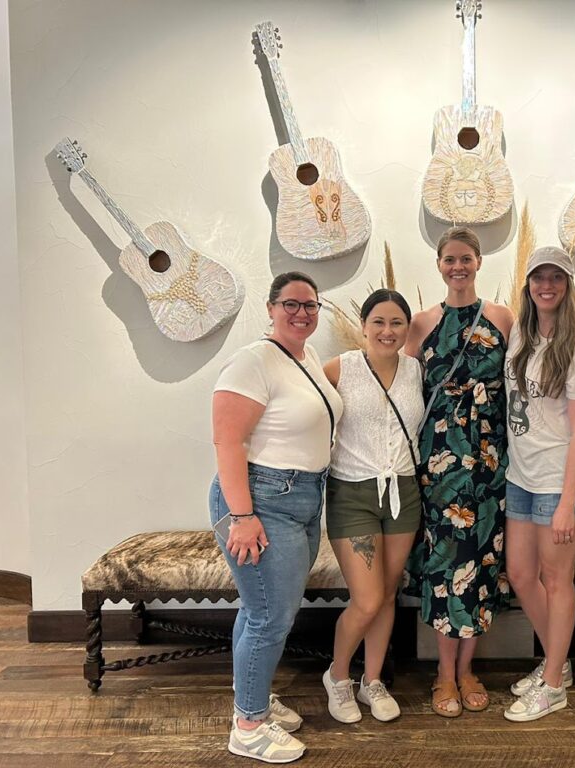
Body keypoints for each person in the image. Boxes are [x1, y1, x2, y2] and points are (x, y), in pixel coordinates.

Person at [209, 272, 343, 763]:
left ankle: (254, 698)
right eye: (291, 304)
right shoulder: (252, 362)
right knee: (271, 615)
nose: (302, 313)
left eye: (310, 305)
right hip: (261, 499)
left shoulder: (302, 358)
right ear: (270, 308)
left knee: (260, 607)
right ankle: (247, 727)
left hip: (303, 497)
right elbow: (228, 442)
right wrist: (242, 516)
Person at [403, 226, 514, 717]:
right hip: (441, 461)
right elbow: (404, 393)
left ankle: (469, 670)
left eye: (465, 258)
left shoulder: (503, 317)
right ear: (439, 264)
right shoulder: (421, 322)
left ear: (478, 262)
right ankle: (443, 675)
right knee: (446, 564)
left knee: (483, 560)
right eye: (449, 259)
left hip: (490, 459)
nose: (458, 267)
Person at [502, 246, 575, 722]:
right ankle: (556, 664)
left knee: (555, 579)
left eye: (556, 278)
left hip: (560, 481)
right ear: (528, 284)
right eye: (538, 277)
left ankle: (552, 686)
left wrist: (568, 503)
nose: (547, 285)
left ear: (567, 286)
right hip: (519, 476)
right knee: (521, 575)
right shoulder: (519, 333)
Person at [321, 289, 425, 724]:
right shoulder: (339, 368)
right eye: (378, 322)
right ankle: (339, 677)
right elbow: (304, 412)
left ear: (407, 328)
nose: (387, 331)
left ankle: (373, 679)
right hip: (353, 493)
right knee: (365, 600)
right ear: (363, 326)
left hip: (404, 493)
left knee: (386, 594)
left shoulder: (416, 371)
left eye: (397, 322)